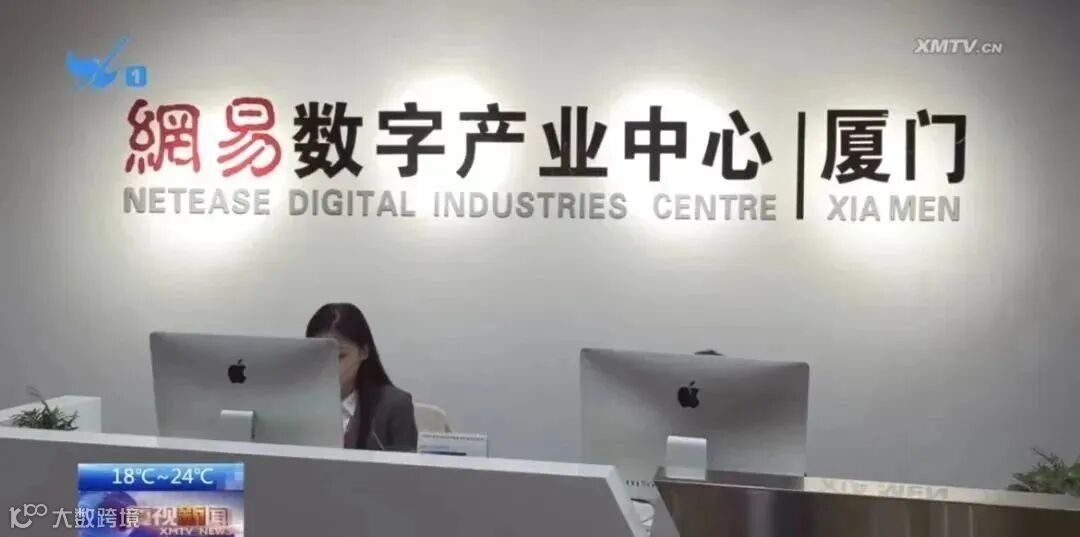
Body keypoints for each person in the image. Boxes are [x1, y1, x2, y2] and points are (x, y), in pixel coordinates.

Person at [305, 303, 418, 452]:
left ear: (363, 352)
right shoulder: (298, 404)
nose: (329, 365)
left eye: (340, 356)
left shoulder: (393, 406)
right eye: (320, 355)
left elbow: (403, 466)